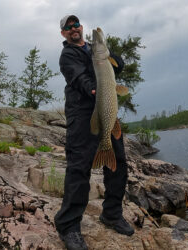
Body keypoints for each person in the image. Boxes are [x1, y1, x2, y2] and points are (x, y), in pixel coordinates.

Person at [54, 15, 134, 250]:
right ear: (63, 34)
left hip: (107, 113)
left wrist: (113, 59)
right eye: (68, 27)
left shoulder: (94, 50)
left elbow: (116, 69)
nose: (73, 28)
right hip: (81, 116)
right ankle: (68, 226)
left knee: (117, 163)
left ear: (81, 27)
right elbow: (80, 79)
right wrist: (95, 88)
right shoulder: (67, 55)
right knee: (79, 168)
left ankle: (111, 214)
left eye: (76, 24)